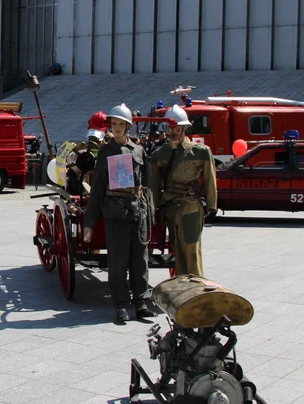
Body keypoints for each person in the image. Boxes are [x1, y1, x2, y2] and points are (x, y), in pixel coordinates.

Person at [83, 104, 155, 325]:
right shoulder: (106, 152)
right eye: (113, 124)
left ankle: (141, 303)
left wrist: (151, 213)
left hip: (137, 210)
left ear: (128, 127)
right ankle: (121, 305)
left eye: (120, 125)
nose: (116, 128)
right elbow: (96, 190)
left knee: (140, 260)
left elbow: (148, 185)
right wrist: (90, 223)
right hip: (115, 213)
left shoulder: (139, 151)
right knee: (118, 261)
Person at [148, 104, 217, 278]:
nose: (172, 131)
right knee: (177, 250)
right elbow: (155, 185)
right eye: (169, 127)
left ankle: (196, 286)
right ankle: (181, 285)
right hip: (170, 206)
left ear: (184, 128)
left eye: (176, 128)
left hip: (191, 205)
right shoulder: (159, 154)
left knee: (192, 248)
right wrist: (154, 207)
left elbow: (209, 179)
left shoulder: (200, 152)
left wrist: (211, 204)